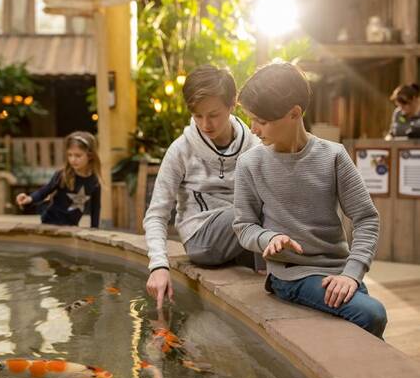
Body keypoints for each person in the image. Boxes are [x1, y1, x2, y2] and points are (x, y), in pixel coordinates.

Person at [233, 62, 387, 338]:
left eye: (262, 121)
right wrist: (268, 239)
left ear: (294, 113)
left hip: (337, 269)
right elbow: (244, 226)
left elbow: (366, 218)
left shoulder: (334, 156)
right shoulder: (249, 164)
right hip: (291, 274)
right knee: (371, 313)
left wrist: (352, 273)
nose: (253, 129)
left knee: (360, 310)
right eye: (251, 118)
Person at [144, 65, 260, 309]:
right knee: (255, 207)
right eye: (198, 115)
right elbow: (157, 213)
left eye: (213, 114)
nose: (205, 124)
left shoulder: (254, 146)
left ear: (232, 105)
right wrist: (158, 265)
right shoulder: (180, 150)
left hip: (243, 239)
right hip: (202, 237)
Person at [16, 131, 101, 228]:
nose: (73, 159)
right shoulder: (63, 175)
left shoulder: (94, 182)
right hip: (50, 222)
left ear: (90, 156)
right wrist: (29, 198)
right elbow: (45, 190)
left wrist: (95, 228)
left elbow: (96, 208)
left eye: (78, 155)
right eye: (70, 155)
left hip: (71, 226)